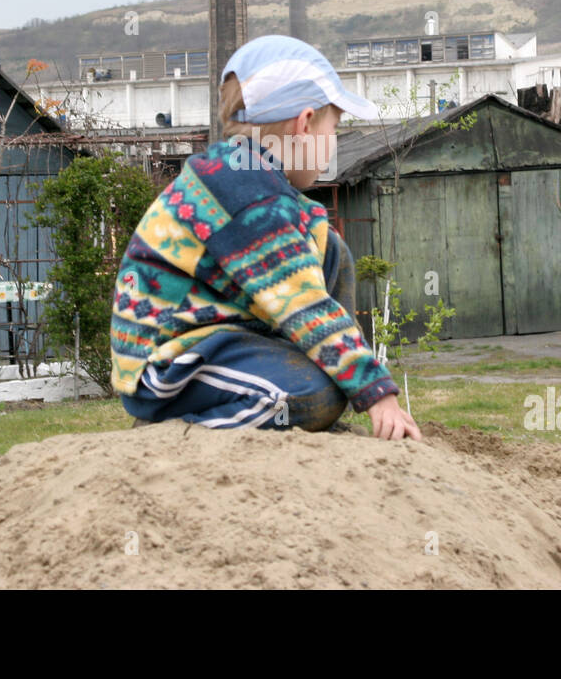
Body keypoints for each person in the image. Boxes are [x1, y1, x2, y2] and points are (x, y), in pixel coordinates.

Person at [110, 34, 421, 440]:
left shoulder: (256, 182)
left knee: (330, 249)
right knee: (318, 395)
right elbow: (301, 301)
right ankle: (176, 436)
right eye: (335, 128)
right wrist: (375, 391)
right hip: (171, 363)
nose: (334, 143)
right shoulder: (240, 188)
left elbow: (312, 269)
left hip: (223, 343)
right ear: (304, 123)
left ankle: (296, 392)